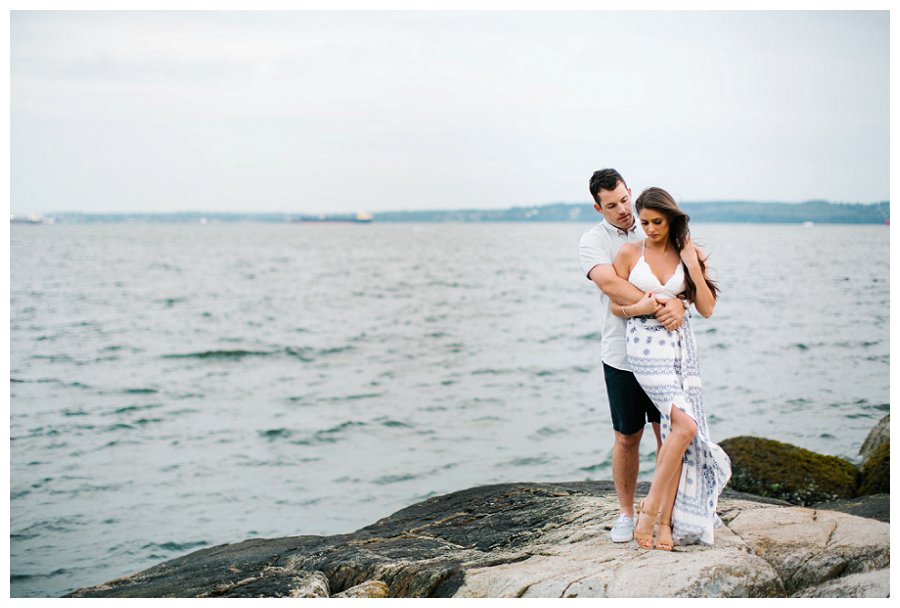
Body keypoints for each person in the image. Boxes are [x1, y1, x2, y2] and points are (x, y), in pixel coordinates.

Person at [611, 186, 731, 550]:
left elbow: (707, 308)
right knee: (685, 424)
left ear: (672, 218)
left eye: (657, 222)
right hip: (645, 345)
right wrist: (643, 307)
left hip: (681, 348)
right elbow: (615, 306)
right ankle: (648, 513)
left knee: (678, 431)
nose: (648, 228)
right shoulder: (631, 253)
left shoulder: (689, 253)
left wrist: (692, 263)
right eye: (644, 222)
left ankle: (666, 523)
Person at [579, 169, 688, 543]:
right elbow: (610, 286)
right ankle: (627, 513)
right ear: (598, 207)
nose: (623, 210)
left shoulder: (651, 226)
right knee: (628, 436)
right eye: (612, 206)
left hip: (665, 354)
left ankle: (663, 513)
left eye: (625, 200)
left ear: (631, 191)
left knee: (668, 433)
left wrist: (681, 302)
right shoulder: (592, 241)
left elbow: (684, 275)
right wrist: (659, 303)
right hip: (620, 354)